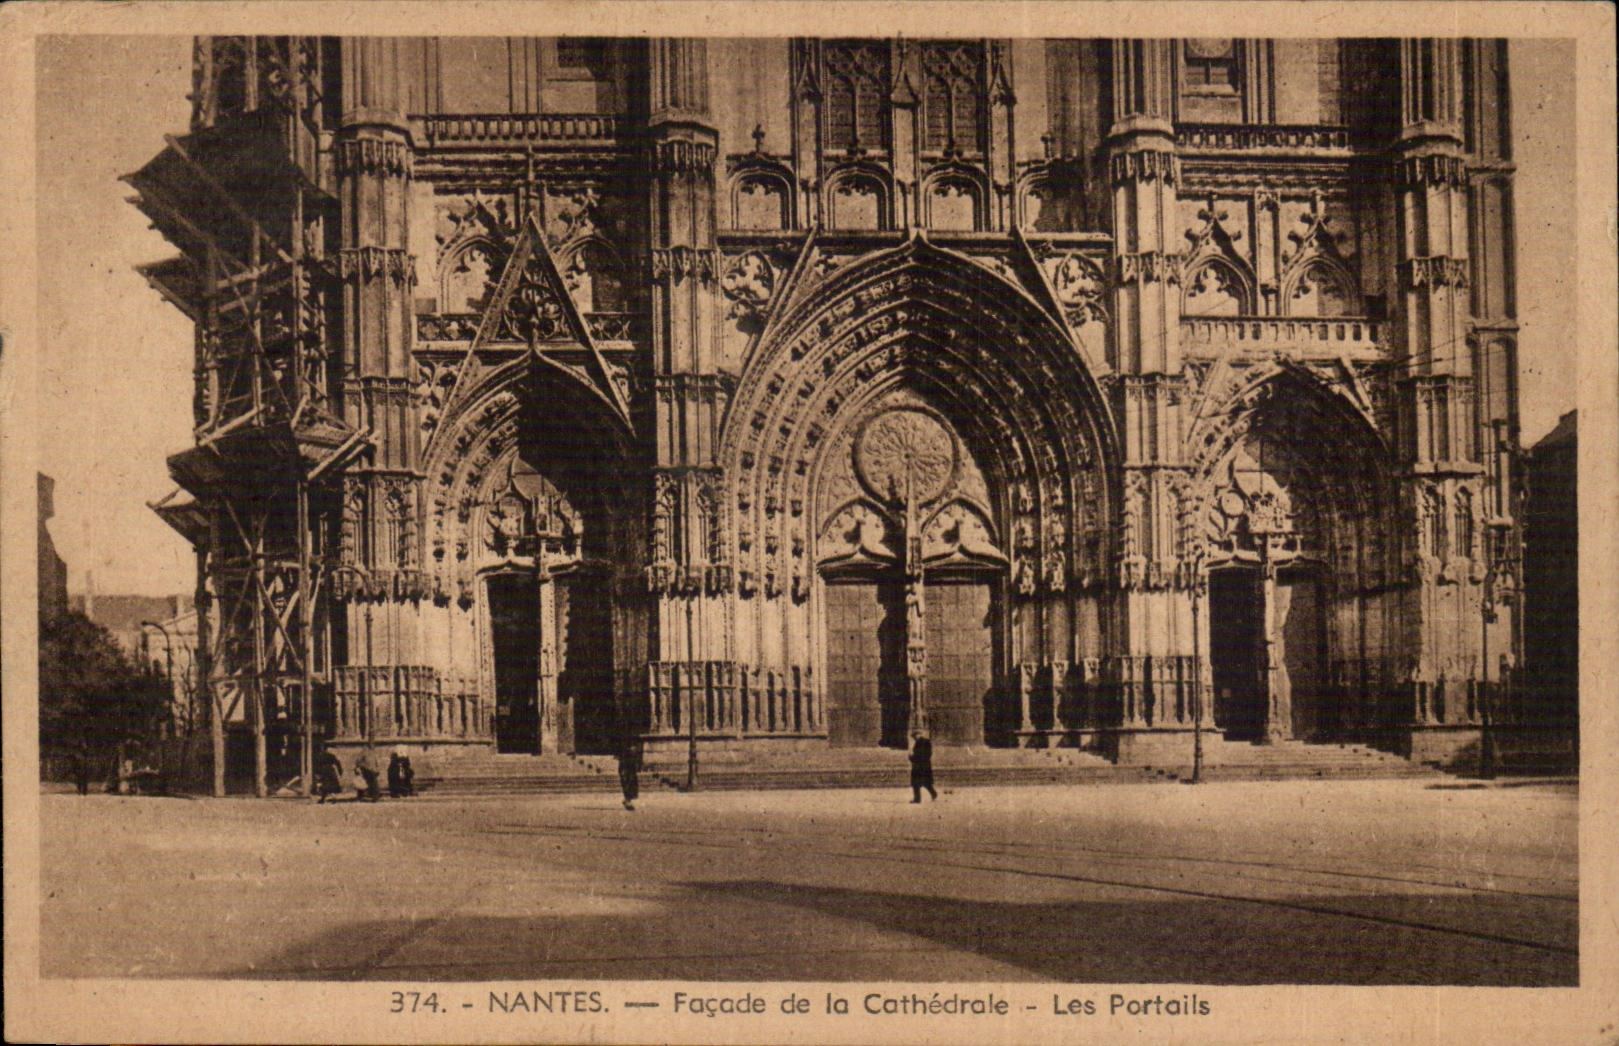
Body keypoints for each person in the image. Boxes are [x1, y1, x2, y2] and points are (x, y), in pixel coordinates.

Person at [617, 736, 643, 811]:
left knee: (631, 779)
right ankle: (627, 799)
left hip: (629, 760)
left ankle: (627, 799)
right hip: (625, 760)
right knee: (626, 779)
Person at [909, 732, 936, 803]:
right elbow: (928, 754)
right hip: (924, 766)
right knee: (925, 782)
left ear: (917, 735)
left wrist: (911, 758)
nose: (914, 738)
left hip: (919, 766)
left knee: (917, 783)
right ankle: (933, 794)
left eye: (914, 736)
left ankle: (918, 799)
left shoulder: (920, 743)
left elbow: (920, 754)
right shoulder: (926, 742)